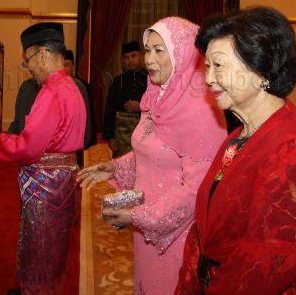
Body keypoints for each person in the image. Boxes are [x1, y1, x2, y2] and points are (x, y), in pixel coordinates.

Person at [175, 7, 296, 295]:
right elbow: (203, 231)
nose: (209, 79)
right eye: (207, 67)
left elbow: (261, 270)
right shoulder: (239, 136)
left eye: (219, 65)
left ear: (261, 68)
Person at [78, 17, 227, 294]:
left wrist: (141, 217)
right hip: (145, 227)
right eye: (148, 49)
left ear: (183, 55)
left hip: (177, 234)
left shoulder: (202, 112)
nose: (149, 59)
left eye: (160, 51)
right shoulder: (156, 97)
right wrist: (112, 167)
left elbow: (196, 189)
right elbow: (148, 153)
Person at [0, 22, 87, 295]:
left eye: (27, 60)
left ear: (42, 55)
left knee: (39, 254)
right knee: (55, 253)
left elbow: (28, 147)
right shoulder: (72, 87)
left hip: (46, 188)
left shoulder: (51, 93)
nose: (27, 68)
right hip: (64, 184)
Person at [8, 49, 96, 162]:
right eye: (27, 62)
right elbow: (17, 124)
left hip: (59, 166)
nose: (29, 67)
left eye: (66, 65)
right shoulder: (26, 88)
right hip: (26, 162)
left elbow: (86, 133)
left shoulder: (77, 87)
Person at [102, 40, 148, 157]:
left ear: (141, 55)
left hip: (143, 133)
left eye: (134, 56)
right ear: (123, 60)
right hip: (121, 135)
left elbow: (159, 106)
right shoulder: (118, 81)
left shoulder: (150, 79)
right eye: (126, 57)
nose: (130, 60)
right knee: (121, 168)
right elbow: (109, 110)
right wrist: (111, 137)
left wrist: (141, 106)